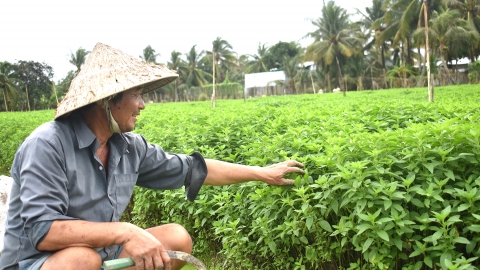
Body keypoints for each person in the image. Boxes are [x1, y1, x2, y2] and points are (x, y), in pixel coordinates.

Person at [0, 43, 304, 270]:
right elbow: (42, 231)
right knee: (82, 260)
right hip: (37, 262)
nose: (142, 104)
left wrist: (261, 172)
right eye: (137, 95)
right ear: (108, 100)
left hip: (101, 255)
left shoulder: (128, 146)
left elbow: (193, 169)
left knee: (176, 238)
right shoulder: (48, 144)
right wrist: (125, 230)